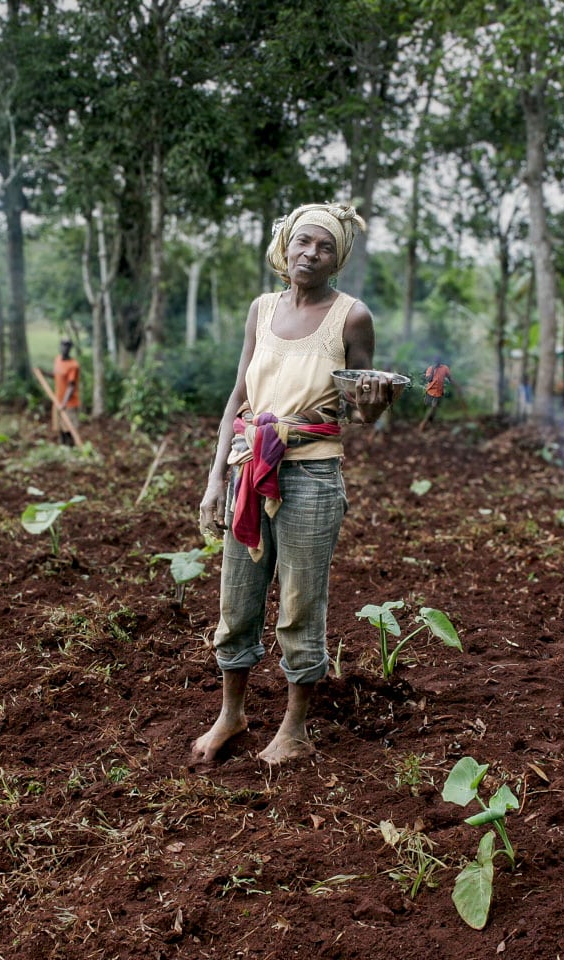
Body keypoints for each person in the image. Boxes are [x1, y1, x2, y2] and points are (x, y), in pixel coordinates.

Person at [194, 202, 394, 767]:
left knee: (301, 604)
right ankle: (231, 715)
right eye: (303, 242)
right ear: (286, 244)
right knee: (237, 600)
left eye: (325, 247)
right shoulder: (261, 309)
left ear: (338, 259)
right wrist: (215, 479)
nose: (311, 253)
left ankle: (294, 728)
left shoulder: (352, 317)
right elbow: (239, 398)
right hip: (248, 469)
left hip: (311, 475)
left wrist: (374, 409)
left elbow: (359, 410)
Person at [53, 338, 82, 446]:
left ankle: (72, 449)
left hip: (69, 403)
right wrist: (44, 373)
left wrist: (64, 404)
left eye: (67, 346)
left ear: (70, 348)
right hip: (58, 401)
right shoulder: (57, 360)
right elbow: (57, 375)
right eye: (63, 345)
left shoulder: (73, 365)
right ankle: (63, 450)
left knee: (70, 428)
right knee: (60, 428)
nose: (64, 348)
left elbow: (71, 386)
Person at [420, 357, 452, 429]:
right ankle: (430, 421)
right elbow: (429, 380)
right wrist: (433, 370)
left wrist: (452, 382)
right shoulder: (430, 368)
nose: (437, 363)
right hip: (430, 391)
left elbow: (449, 377)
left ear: (440, 361)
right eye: (435, 361)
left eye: (438, 361)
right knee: (429, 407)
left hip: (438, 392)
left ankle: (423, 424)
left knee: (433, 408)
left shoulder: (445, 368)